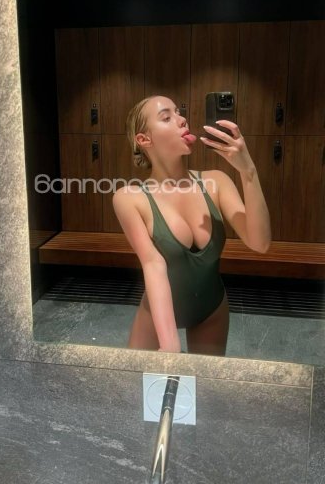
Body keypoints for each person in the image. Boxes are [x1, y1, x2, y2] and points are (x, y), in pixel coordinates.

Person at [112, 95, 271, 356]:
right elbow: (153, 264)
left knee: (206, 382)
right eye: (167, 117)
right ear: (144, 140)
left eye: (179, 112)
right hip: (158, 316)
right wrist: (169, 343)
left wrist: (248, 172)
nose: (182, 119)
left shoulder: (216, 182)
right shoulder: (129, 198)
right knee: (136, 382)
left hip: (211, 310)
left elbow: (260, 243)